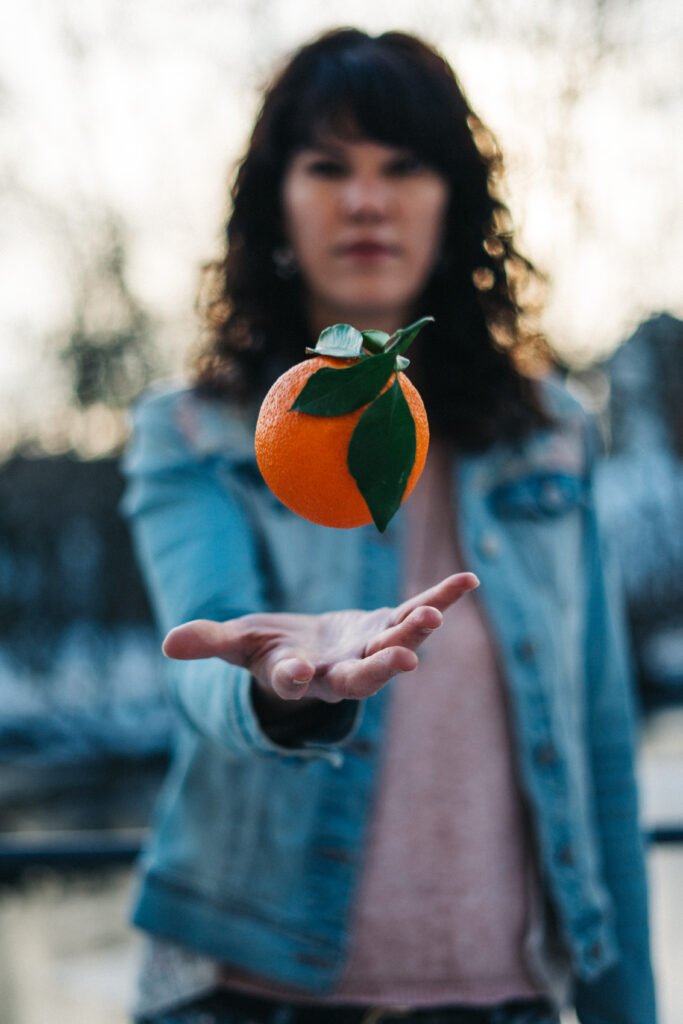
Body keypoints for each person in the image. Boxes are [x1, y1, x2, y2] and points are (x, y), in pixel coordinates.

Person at [121, 28, 657, 1024]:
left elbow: (595, 744)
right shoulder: (191, 432)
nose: (365, 199)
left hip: (505, 1000)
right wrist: (285, 686)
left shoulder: (551, 439)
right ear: (276, 206)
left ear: (450, 202)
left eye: (401, 167)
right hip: (247, 995)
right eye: (327, 167)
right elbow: (202, 651)